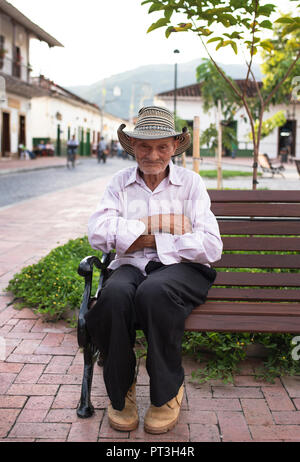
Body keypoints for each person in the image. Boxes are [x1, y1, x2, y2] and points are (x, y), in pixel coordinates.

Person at [85, 106, 223, 434]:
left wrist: (134, 236)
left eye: (162, 146)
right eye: (145, 146)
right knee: (115, 295)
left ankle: (167, 391)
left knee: (154, 291)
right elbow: (97, 233)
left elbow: (210, 245)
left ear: (175, 146)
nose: (153, 154)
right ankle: (122, 390)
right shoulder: (119, 183)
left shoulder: (190, 184)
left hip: (182, 269)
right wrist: (163, 226)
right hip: (130, 267)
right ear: (133, 147)